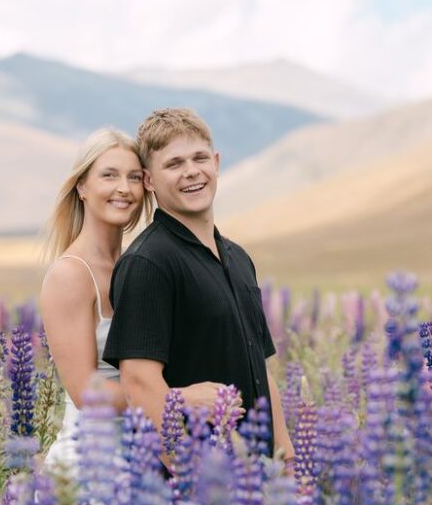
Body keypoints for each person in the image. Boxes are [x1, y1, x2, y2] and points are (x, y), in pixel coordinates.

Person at [103, 107, 295, 468]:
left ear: (217, 162)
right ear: (148, 180)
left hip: (255, 475)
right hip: (201, 483)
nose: (191, 171)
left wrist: (286, 460)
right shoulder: (148, 262)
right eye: (174, 164)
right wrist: (188, 479)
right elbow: (140, 382)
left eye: (199, 158)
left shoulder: (237, 257)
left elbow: (260, 370)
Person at [39, 128, 152, 472]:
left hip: (141, 460)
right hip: (86, 469)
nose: (124, 188)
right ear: (82, 187)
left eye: (134, 177)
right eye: (109, 175)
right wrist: (179, 399)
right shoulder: (70, 274)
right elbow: (85, 392)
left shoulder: (137, 265)